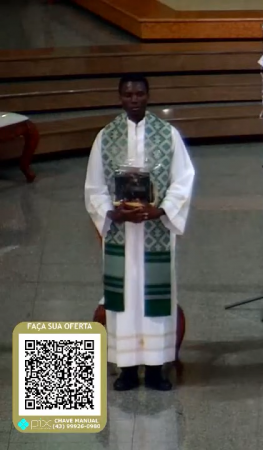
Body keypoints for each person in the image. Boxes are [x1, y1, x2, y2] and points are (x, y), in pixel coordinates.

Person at [84, 74, 195, 391]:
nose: (134, 99)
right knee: (123, 302)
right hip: (121, 235)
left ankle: (157, 368)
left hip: (154, 232)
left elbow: (183, 179)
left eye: (139, 94)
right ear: (120, 97)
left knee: (153, 301)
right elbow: (94, 186)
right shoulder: (106, 136)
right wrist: (111, 212)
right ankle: (128, 370)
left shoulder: (168, 134)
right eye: (128, 94)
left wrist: (161, 210)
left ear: (148, 95)